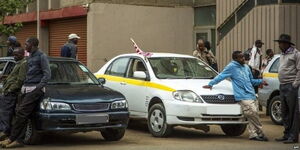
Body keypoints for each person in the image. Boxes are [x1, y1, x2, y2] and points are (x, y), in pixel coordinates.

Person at [203, 50, 269, 142]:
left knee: (252, 115)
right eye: (241, 57)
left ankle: (253, 134)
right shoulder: (231, 67)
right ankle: (260, 132)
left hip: (251, 94)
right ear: (235, 59)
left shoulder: (246, 67)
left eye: (243, 57)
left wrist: (260, 81)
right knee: (252, 113)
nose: (243, 59)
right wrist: (211, 84)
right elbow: (221, 76)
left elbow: (251, 81)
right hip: (242, 95)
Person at [0, 37, 51, 148]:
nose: (25, 46)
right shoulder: (30, 57)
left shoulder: (41, 56)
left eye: (26, 44)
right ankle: (19, 140)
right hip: (25, 89)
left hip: (34, 90)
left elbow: (47, 75)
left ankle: (11, 139)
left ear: (32, 45)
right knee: (24, 115)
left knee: (21, 113)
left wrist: (38, 87)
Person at [274, 34, 299, 144]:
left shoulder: (296, 54)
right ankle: (286, 134)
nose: (279, 44)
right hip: (282, 85)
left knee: (293, 112)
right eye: (279, 43)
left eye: (281, 43)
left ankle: (293, 137)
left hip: (290, 85)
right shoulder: (282, 54)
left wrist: (295, 84)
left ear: (287, 44)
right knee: (284, 112)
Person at [0, 47, 27, 141]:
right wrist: (6, 77)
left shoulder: (23, 64)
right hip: (7, 90)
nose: (14, 56)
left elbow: (20, 80)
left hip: (11, 92)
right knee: (4, 112)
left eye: (17, 54)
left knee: (6, 112)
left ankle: (5, 131)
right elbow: (15, 76)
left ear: (22, 54)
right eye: (14, 54)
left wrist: (10, 89)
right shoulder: (18, 63)